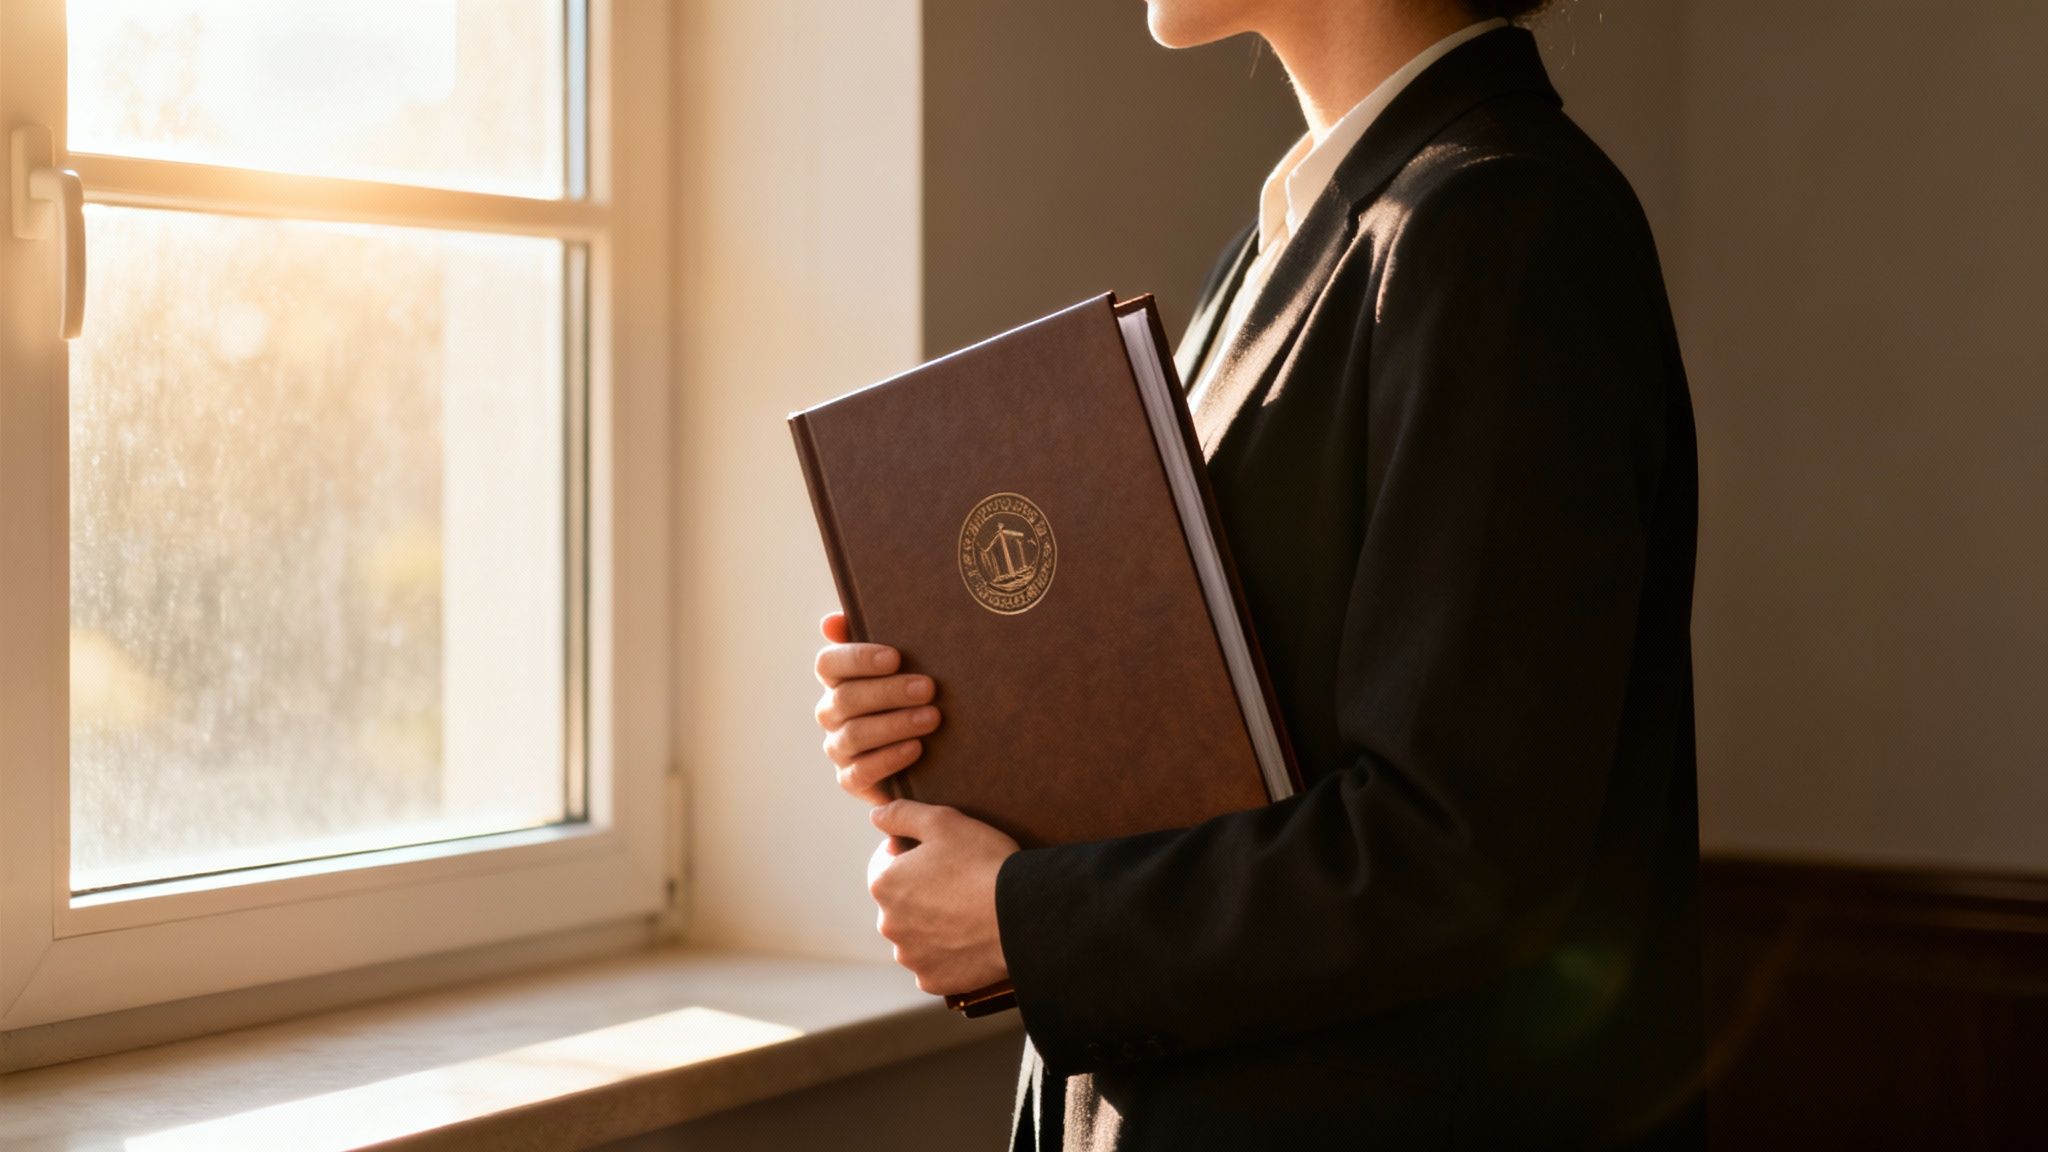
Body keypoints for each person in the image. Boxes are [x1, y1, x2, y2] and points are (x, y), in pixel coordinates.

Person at [812, 0, 1702, 1147]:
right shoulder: (1302, 232)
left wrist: (1024, 921)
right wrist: (948, 721)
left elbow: (1464, 854)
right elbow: (1229, 740)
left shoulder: (1500, 218)